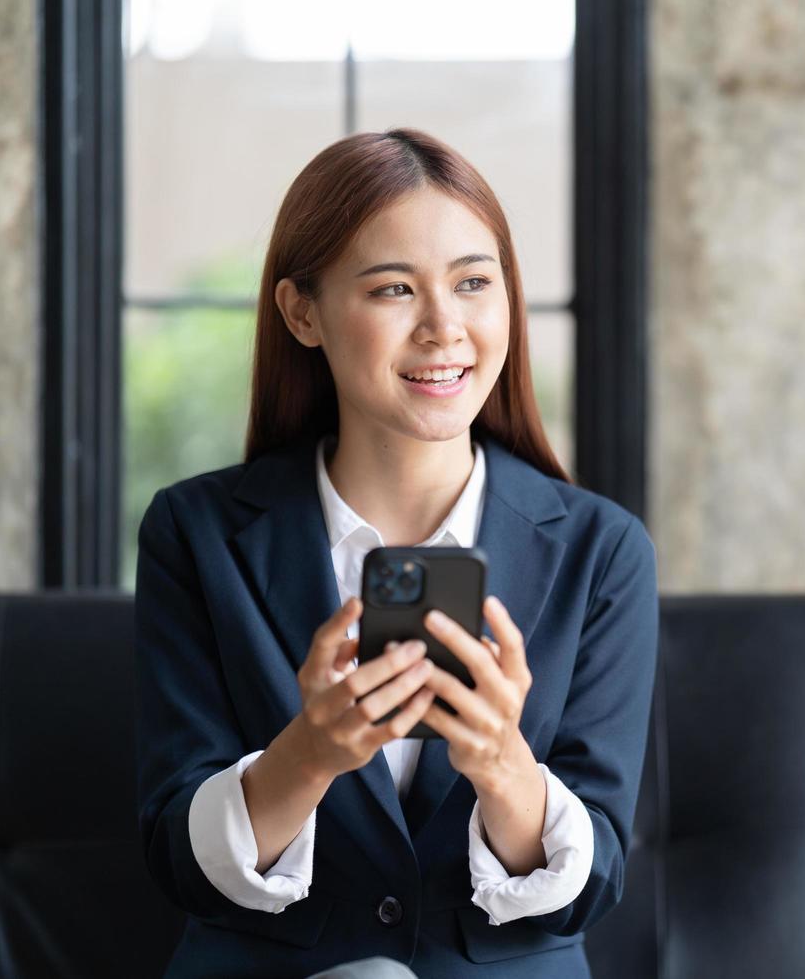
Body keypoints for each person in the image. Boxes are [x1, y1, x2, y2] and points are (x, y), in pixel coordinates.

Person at [133, 128, 659, 978]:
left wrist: (502, 765)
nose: (444, 327)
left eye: (474, 284)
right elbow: (175, 858)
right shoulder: (195, 535)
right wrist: (308, 754)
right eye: (392, 290)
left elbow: (592, 883)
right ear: (302, 312)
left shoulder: (601, 554)